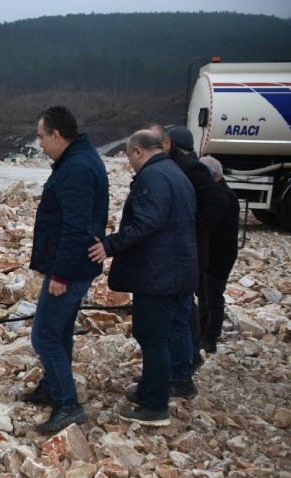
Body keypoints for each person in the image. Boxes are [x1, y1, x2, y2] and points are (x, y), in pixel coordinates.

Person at [88, 130, 197, 427]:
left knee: (152, 337)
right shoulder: (175, 171)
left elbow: (146, 222)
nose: (130, 164)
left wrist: (108, 246)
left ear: (138, 151)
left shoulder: (154, 177)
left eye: (128, 157)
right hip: (178, 270)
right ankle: (149, 389)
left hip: (160, 275)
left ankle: (155, 407)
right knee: (157, 334)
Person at [22, 106, 109, 434]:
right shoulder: (79, 159)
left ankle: (68, 405)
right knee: (59, 331)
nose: (40, 143)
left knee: (44, 334)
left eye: (42, 136)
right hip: (76, 265)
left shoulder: (76, 167)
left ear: (57, 135)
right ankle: (52, 387)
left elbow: (76, 226)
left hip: (70, 268)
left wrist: (59, 274)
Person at [148, 124, 227, 397]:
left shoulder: (192, 169)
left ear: (168, 144)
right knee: (181, 312)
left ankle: (182, 373)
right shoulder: (180, 167)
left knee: (179, 316)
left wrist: (191, 228)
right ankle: (178, 367)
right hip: (183, 253)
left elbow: (219, 201)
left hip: (187, 252)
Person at [197, 155, 240, 353]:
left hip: (219, 257)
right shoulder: (215, 193)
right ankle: (201, 333)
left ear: (215, 175)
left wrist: (207, 257)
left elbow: (222, 235)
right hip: (208, 255)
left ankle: (210, 337)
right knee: (204, 296)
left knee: (213, 298)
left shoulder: (226, 198)